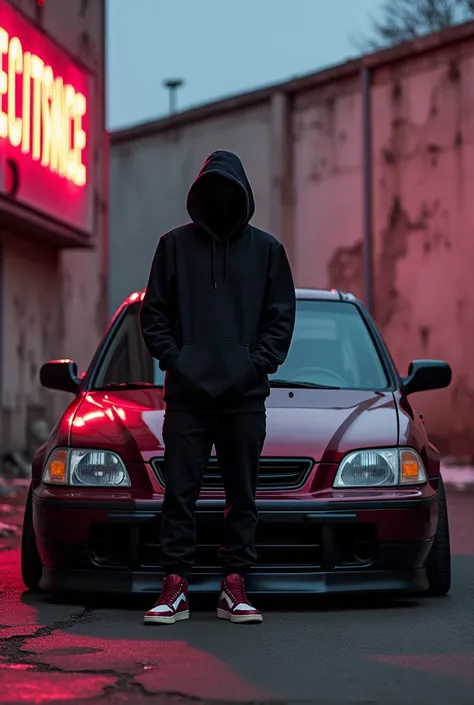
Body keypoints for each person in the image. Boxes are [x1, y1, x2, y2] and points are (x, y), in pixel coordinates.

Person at [140, 150, 296, 625]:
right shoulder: (173, 246)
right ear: (200, 193)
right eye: (214, 191)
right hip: (187, 397)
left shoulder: (267, 251)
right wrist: (178, 362)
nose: (221, 199)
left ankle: (234, 586)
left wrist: (254, 366)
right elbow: (154, 315)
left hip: (244, 398)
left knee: (241, 495)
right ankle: (176, 587)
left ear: (244, 195)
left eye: (230, 192)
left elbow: (281, 319)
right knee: (179, 494)